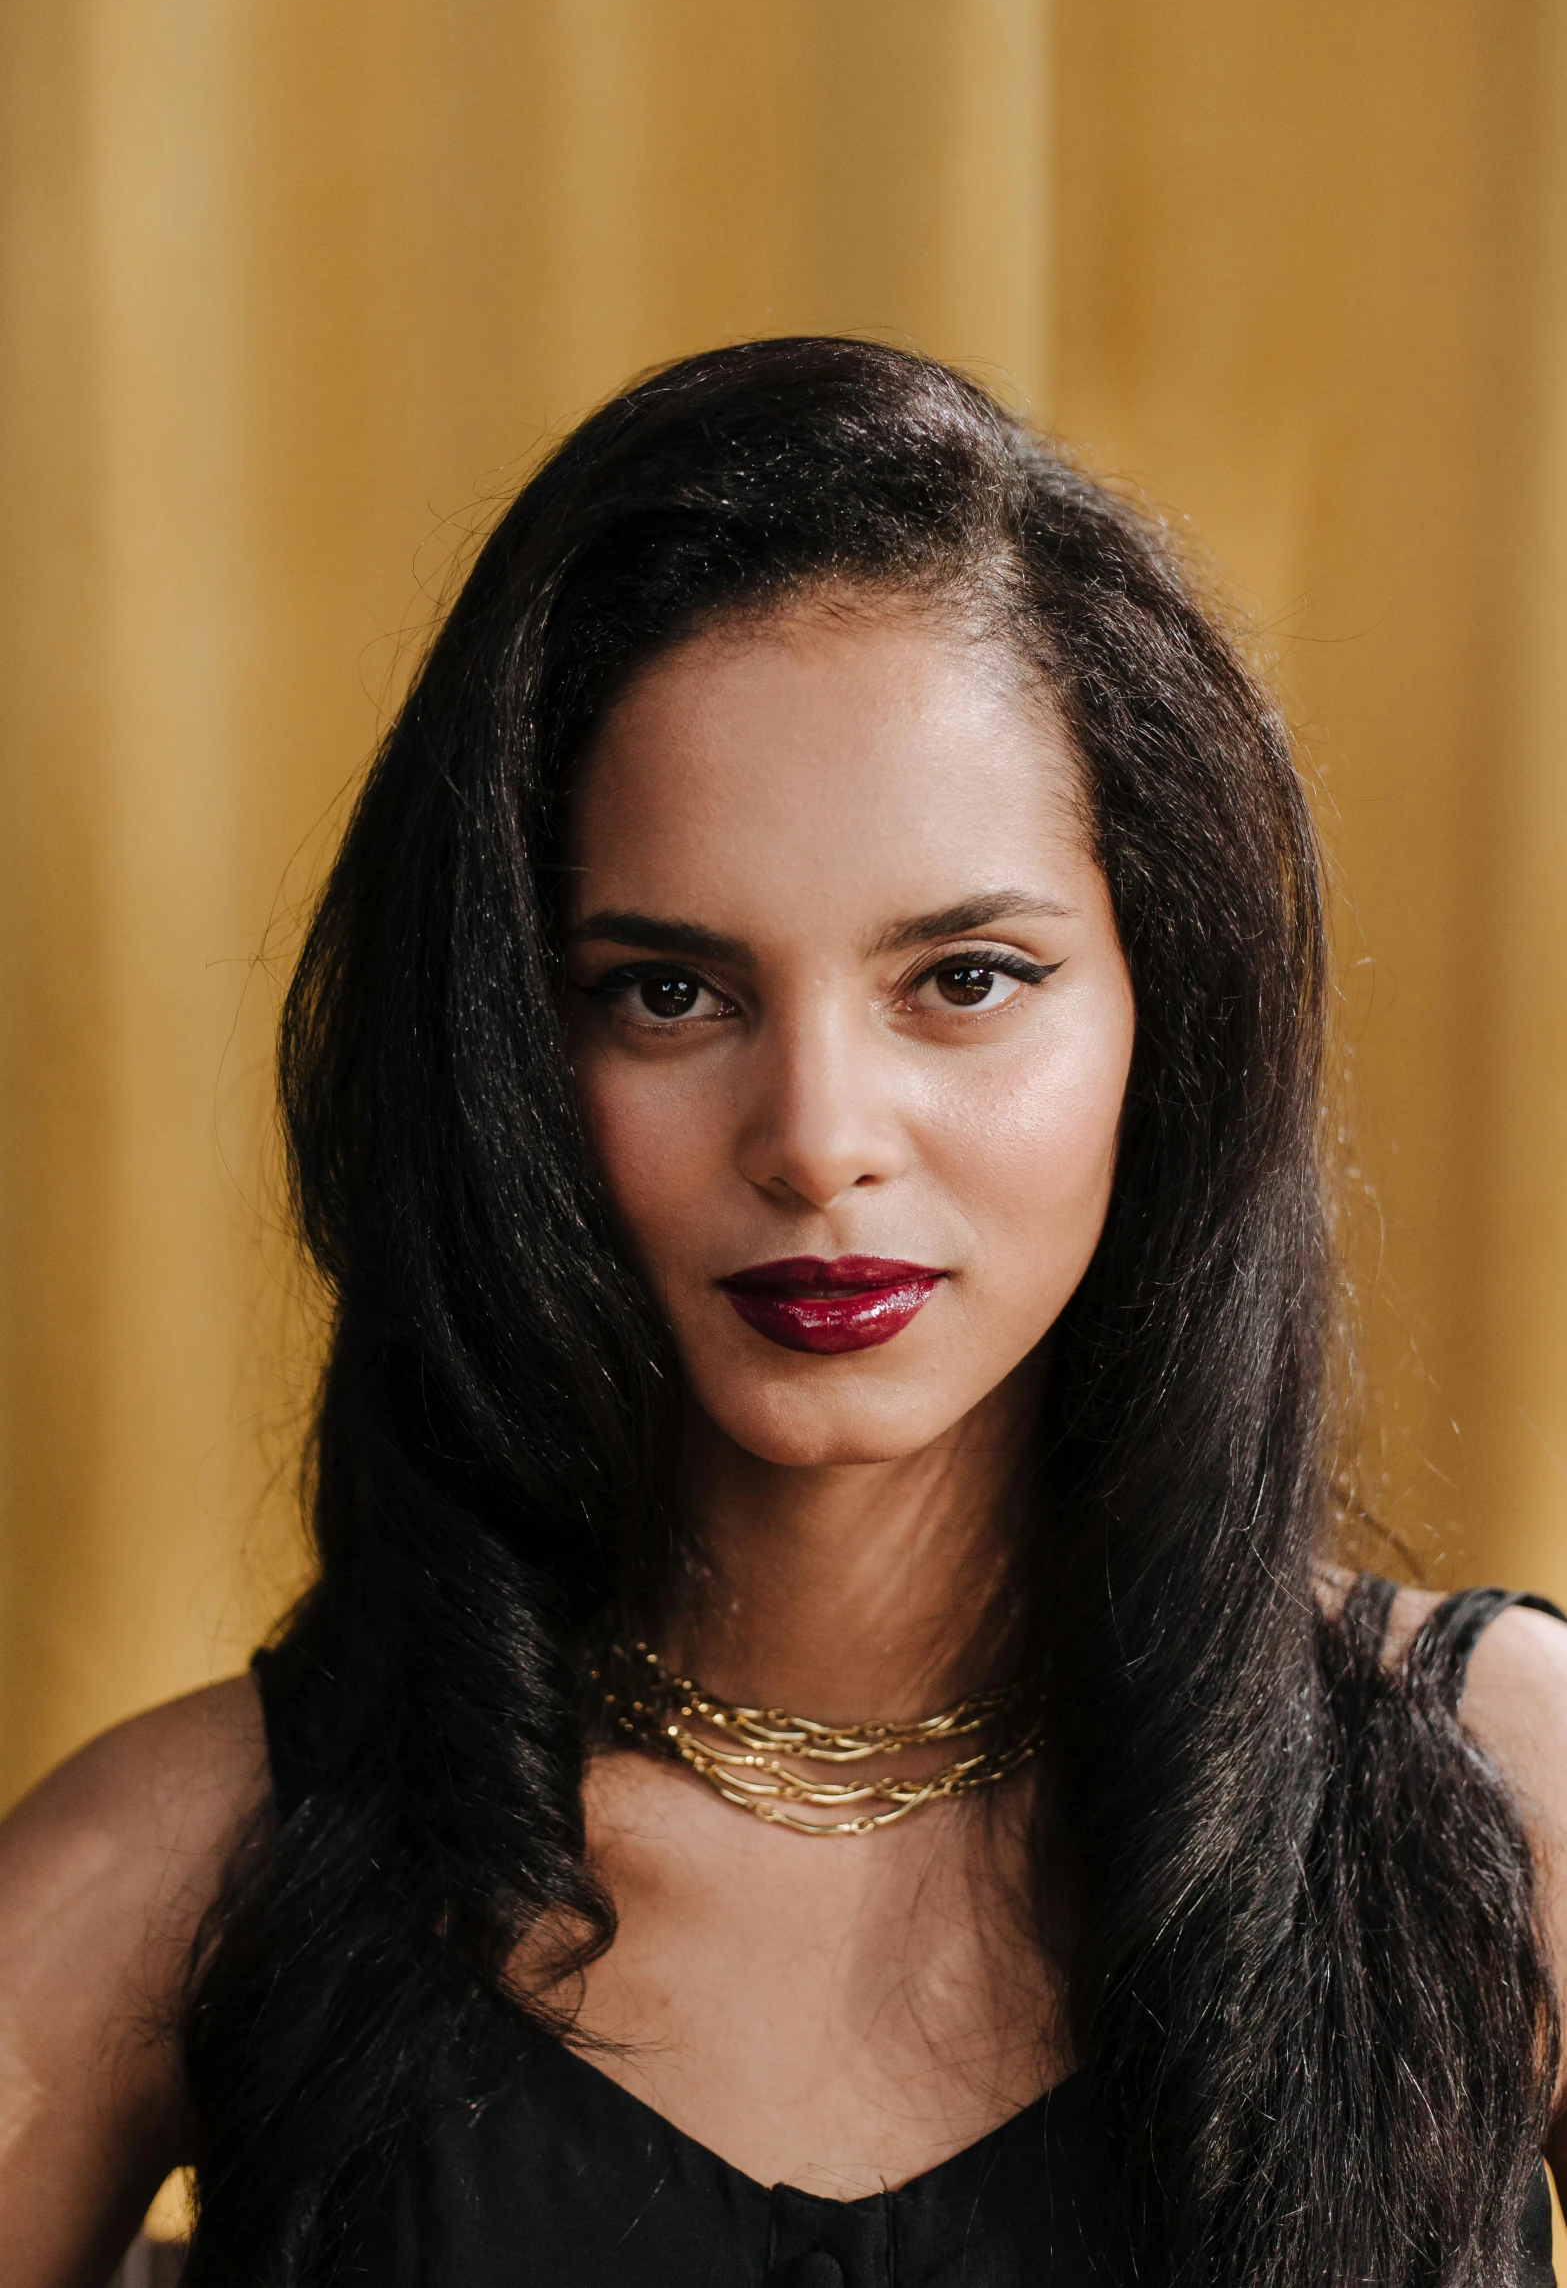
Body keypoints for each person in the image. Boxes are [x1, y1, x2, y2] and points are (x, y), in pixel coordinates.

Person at [2, 337, 1566, 2288]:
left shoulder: (1500, 1800)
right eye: (668, 991)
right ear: (503, 1055)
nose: (820, 1139)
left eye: (967, 977)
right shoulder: (184, 1865)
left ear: (1164, 1014)